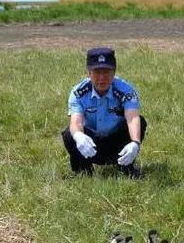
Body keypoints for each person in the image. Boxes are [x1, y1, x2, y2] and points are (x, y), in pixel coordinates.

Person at [62, 47, 146, 177]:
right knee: (69, 134)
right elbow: (75, 122)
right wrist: (79, 136)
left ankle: (126, 168)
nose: (102, 78)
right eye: (97, 72)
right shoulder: (78, 92)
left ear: (114, 72)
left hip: (116, 144)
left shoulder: (126, 91)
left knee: (141, 121)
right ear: (89, 73)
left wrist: (135, 143)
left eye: (106, 72)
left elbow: (133, 118)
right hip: (90, 146)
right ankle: (83, 172)